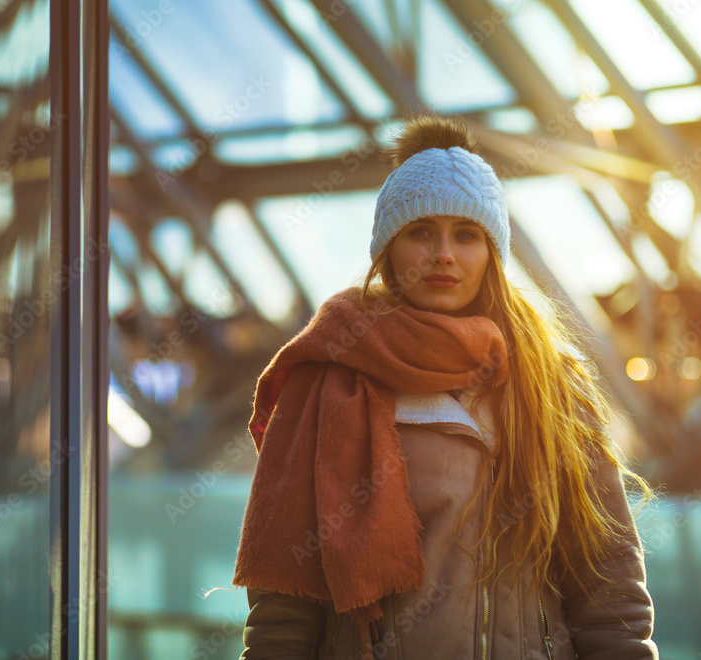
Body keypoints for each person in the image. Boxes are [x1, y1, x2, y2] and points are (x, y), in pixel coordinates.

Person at [232, 114, 660, 659]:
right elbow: (285, 604)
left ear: (492, 255)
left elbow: (608, 580)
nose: (444, 255)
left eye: (466, 235)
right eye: (420, 232)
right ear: (389, 248)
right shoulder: (329, 378)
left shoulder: (553, 386)